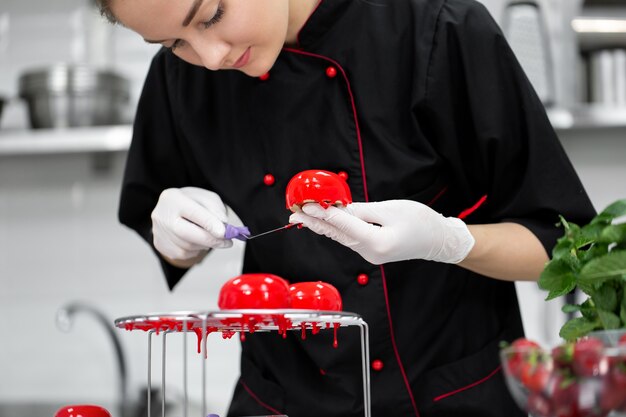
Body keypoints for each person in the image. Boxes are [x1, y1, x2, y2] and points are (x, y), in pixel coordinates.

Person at [99, 0, 596, 416]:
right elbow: (171, 242)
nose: (210, 57)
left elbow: (569, 251)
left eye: (212, 15)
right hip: (277, 401)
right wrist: (180, 237)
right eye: (173, 43)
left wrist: (450, 241)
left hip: (449, 398)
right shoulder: (180, 77)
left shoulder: (436, 26)